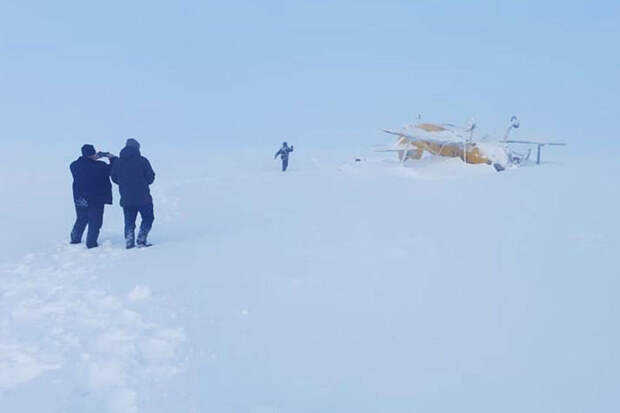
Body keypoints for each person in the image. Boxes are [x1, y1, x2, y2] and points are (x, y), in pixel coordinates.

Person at [111, 138, 156, 249]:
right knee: (148, 218)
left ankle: (129, 242)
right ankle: (141, 240)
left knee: (129, 221)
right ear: (137, 148)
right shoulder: (143, 161)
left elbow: (114, 178)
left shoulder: (118, 162)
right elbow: (150, 178)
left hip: (126, 197)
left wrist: (124, 184)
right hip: (143, 197)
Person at [69, 144, 117, 248]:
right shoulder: (100, 166)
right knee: (95, 222)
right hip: (96, 199)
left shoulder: (74, 166)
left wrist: (92, 158)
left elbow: (84, 164)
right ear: (93, 154)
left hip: (80, 198)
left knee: (81, 218)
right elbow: (111, 169)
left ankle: (75, 239)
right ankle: (91, 243)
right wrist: (112, 158)